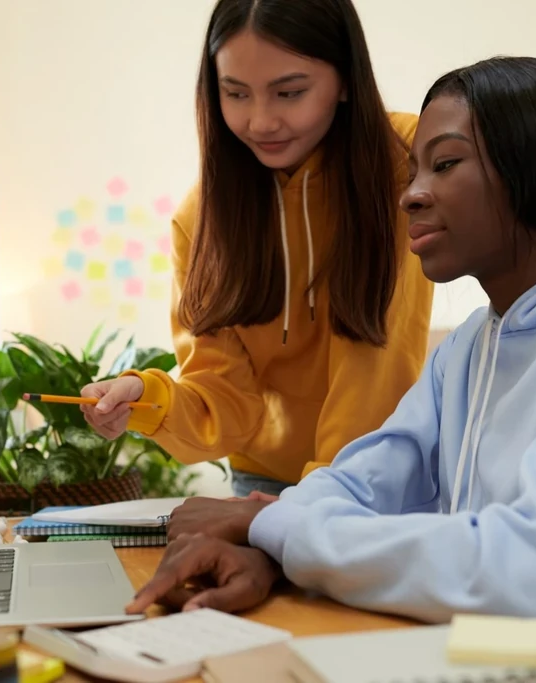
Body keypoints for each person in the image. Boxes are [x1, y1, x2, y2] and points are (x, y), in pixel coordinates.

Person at [125, 56, 536, 683]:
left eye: (445, 164)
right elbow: (362, 484)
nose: (410, 194)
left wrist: (275, 527)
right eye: (413, 170)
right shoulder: (469, 347)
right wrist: (271, 549)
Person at [81, 0, 434, 512]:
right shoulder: (201, 218)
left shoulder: (409, 159)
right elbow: (223, 396)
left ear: (346, 80)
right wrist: (146, 397)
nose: (262, 121)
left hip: (375, 481)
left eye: (290, 93)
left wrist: (318, 498)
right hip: (261, 489)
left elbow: (372, 374)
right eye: (236, 93)